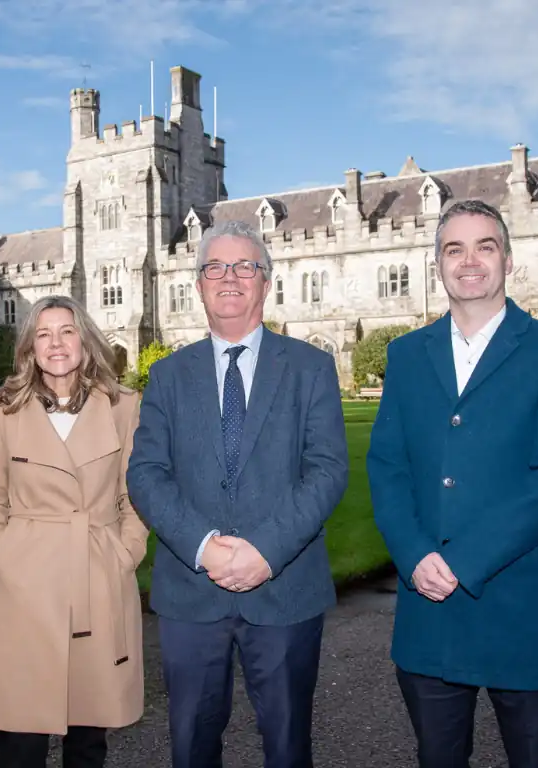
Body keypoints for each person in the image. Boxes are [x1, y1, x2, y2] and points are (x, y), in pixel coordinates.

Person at [366, 199, 538, 768]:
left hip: (521, 609)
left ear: (508, 261)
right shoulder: (406, 355)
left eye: (484, 246)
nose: (469, 261)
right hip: (430, 610)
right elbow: (387, 467)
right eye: (454, 248)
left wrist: (463, 561)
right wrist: (415, 555)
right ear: (437, 264)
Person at [126, 219, 349, 768]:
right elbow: (146, 473)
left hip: (285, 590)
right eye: (215, 268)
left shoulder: (310, 367)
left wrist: (264, 551)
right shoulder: (168, 376)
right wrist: (204, 548)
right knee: (192, 746)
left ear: (266, 282)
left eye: (245, 266)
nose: (230, 278)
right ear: (199, 283)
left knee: (288, 744)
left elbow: (326, 471)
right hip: (191, 595)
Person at [0, 294, 149, 768]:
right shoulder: (4, 406)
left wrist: (125, 553)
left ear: (86, 342)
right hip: (26, 583)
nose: (56, 343)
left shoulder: (123, 406)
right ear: (29, 348)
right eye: (43, 334)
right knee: (20, 739)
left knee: (88, 738)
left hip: (97, 573)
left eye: (66, 331)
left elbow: (136, 495)